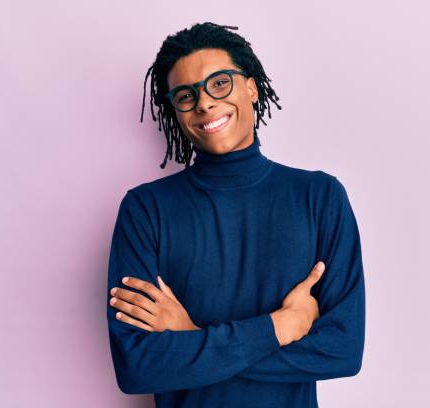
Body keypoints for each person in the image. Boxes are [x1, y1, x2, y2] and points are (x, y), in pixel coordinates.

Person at [106, 22, 365, 407]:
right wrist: (277, 328)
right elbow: (137, 366)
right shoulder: (145, 210)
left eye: (219, 83)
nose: (205, 103)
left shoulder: (320, 197)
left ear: (251, 87)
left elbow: (342, 350)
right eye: (186, 95)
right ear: (175, 111)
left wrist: (191, 334)